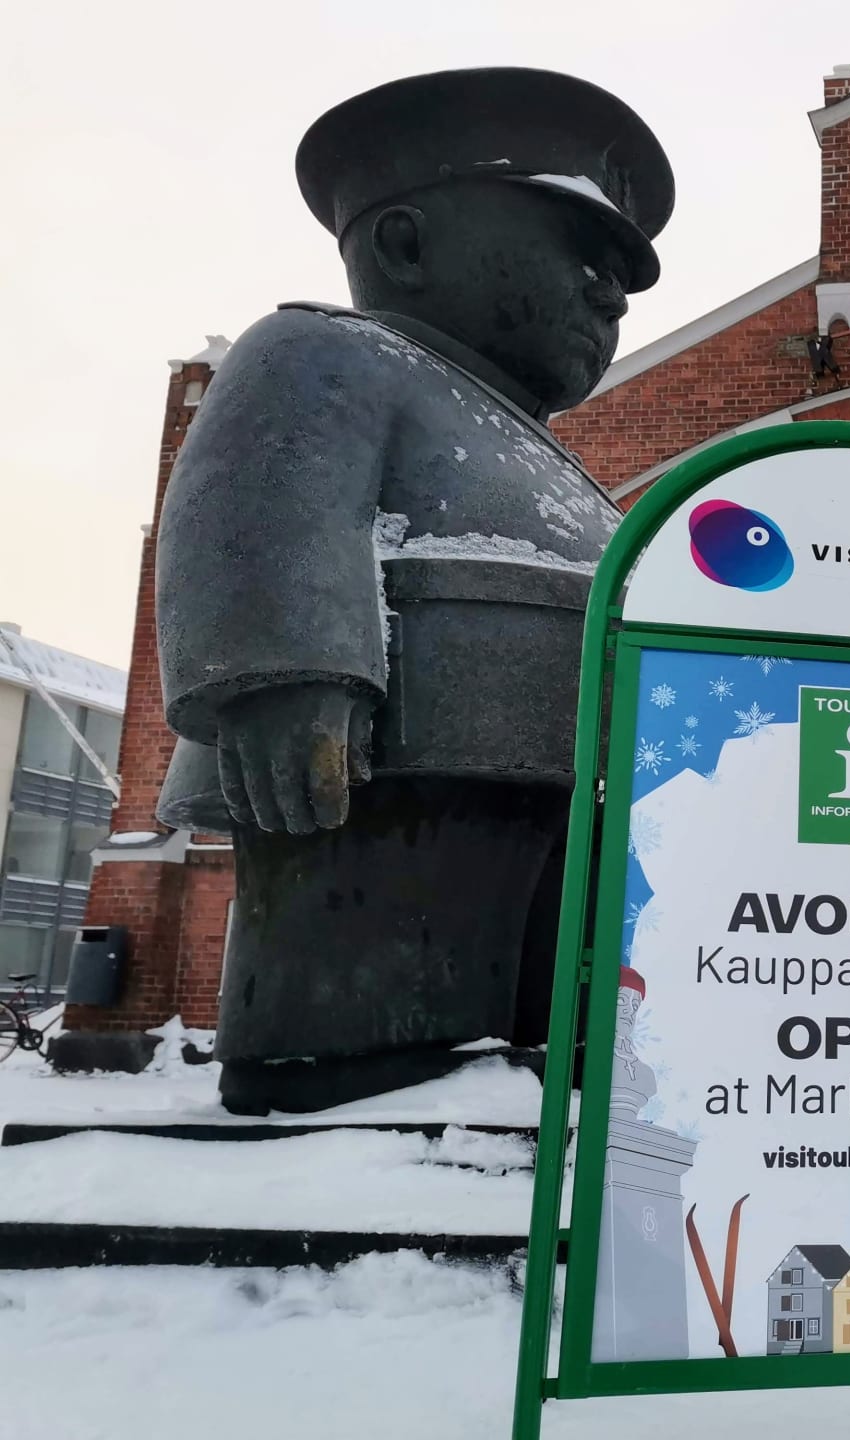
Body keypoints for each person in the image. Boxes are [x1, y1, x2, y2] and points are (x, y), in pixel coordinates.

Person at [154, 69, 673, 1112]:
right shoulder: (321, 353)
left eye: (621, 269)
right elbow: (253, 507)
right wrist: (285, 672)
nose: (609, 293)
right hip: (380, 777)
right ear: (405, 244)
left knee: (533, 1026)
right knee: (377, 1016)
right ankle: (346, 1109)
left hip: (553, 785)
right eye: (582, 249)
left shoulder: (546, 457)